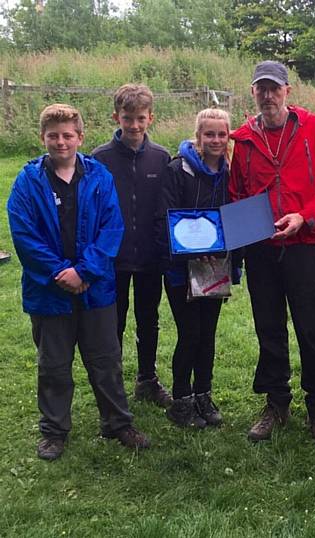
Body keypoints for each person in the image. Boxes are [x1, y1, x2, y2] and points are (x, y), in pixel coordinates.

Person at [7, 104, 150, 460]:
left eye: (68, 135)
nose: (61, 142)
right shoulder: (27, 182)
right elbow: (24, 236)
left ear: (80, 138)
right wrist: (61, 274)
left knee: (106, 361)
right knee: (53, 365)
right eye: (53, 136)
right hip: (48, 291)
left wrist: (84, 272)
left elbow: (111, 229)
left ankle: (117, 423)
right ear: (43, 138)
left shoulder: (99, 177)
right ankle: (54, 431)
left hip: (95, 289)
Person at [230, 60, 315, 447]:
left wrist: (307, 215)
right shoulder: (245, 139)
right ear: (253, 93)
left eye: (274, 88)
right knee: (269, 328)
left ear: (287, 91)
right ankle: (275, 402)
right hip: (262, 250)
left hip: (304, 245)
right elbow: (236, 193)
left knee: (310, 330)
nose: (268, 95)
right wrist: (248, 230)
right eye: (260, 89)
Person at [93, 83, 172, 408]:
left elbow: (168, 208)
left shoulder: (162, 157)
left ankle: (147, 379)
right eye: (128, 118)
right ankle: (112, 382)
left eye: (140, 118)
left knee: (148, 318)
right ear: (116, 117)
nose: (134, 125)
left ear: (150, 118)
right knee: (115, 321)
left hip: (151, 257)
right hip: (114, 259)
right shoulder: (99, 158)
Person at [156, 108, 231, 428]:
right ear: (198, 136)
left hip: (216, 267)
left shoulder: (231, 171)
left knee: (208, 335)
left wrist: (226, 251)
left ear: (228, 137)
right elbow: (165, 216)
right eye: (209, 134)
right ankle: (181, 401)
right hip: (180, 269)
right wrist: (190, 252)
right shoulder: (177, 169)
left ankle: (203, 394)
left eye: (221, 134)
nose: (215, 140)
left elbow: (234, 215)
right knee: (190, 334)